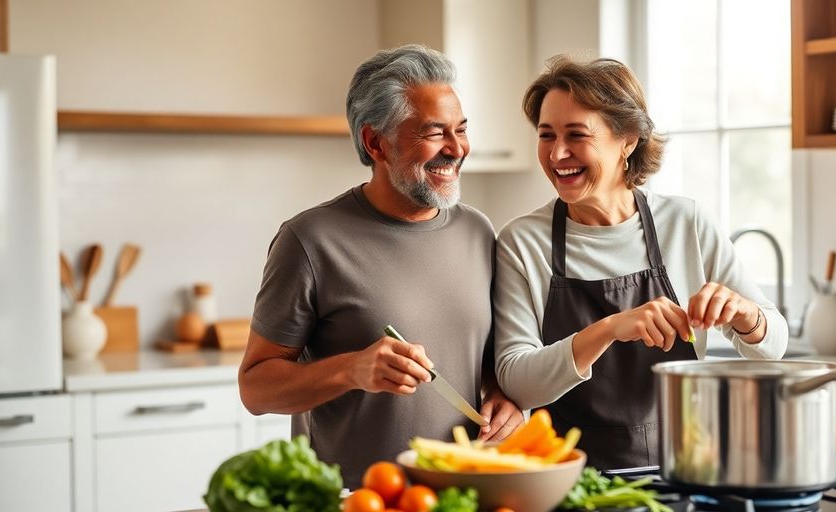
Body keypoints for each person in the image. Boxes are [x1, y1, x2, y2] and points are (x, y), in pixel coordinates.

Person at [239, 44, 523, 487]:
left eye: (461, 129)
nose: (457, 148)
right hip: (357, 496)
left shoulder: (478, 231)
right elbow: (254, 388)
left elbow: (485, 360)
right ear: (376, 142)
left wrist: (504, 398)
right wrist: (352, 370)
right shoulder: (310, 241)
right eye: (434, 132)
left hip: (464, 491)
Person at [493, 56, 789, 470]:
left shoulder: (686, 223)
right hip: (569, 481)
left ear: (627, 139)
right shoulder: (523, 242)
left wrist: (745, 315)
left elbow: (774, 347)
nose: (558, 153)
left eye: (576, 135)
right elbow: (516, 379)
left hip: (685, 468)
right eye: (547, 135)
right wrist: (610, 329)